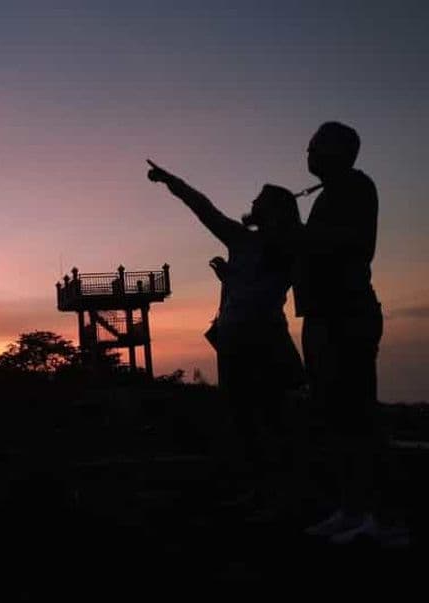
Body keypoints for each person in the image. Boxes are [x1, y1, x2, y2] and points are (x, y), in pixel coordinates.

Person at [147, 161, 304, 512]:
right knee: (244, 417)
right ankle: (262, 489)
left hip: (261, 339)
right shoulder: (242, 239)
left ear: (273, 209)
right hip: (234, 338)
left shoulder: (289, 246)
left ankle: (281, 490)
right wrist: (173, 181)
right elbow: (202, 207)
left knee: (268, 415)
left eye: (260, 199)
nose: (253, 202)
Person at [295, 122, 385, 543]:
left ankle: (373, 513)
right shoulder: (331, 194)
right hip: (324, 315)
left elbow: (352, 245)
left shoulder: (356, 189)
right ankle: (349, 508)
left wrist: (297, 235)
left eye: (315, 146)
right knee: (334, 417)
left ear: (339, 152)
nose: (308, 153)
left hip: (346, 315)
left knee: (355, 415)